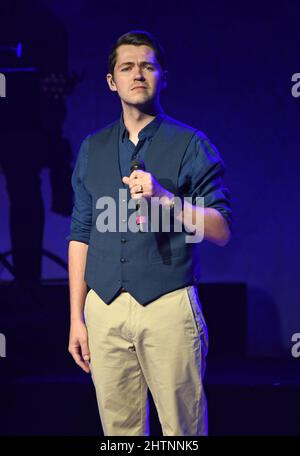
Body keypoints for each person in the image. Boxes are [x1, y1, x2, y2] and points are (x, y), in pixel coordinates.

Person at [67, 30, 232, 436]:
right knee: (119, 433)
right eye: (127, 67)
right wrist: (76, 317)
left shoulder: (191, 144)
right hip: (103, 306)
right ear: (112, 81)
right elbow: (81, 232)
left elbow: (222, 229)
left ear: (162, 76)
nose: (137, 74)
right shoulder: (93, 148)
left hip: (168, 303)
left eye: (147, 66)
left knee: (182, 431)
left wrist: (166, 199)